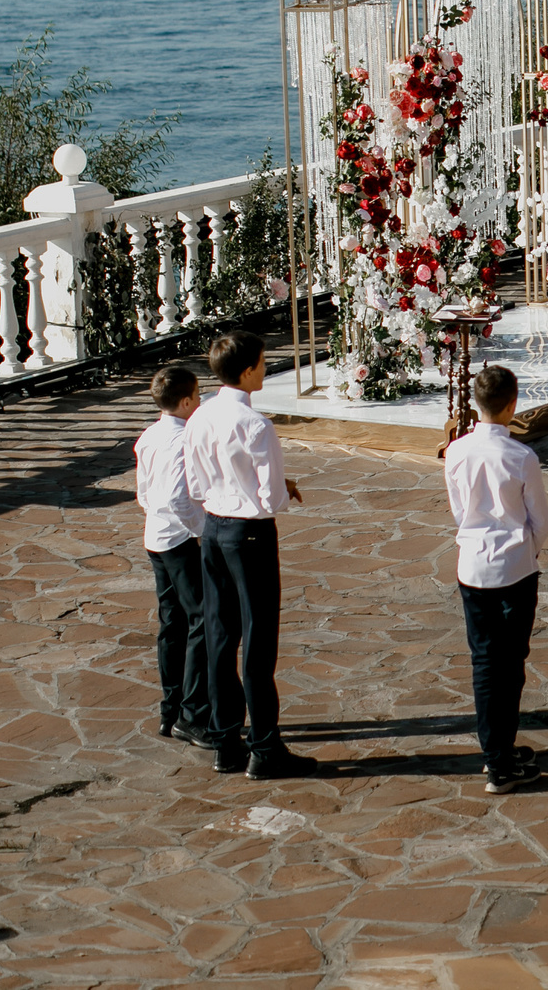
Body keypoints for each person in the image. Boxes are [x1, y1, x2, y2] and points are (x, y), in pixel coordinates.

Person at [183, 330, 318, 779]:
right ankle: (264, 747)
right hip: (251, 536)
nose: (265, 368)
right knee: (258, 642)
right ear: (246, 371)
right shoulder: (256, 425)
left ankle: (226, 742)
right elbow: (269, 498)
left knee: (221, 638)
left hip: (214, 529)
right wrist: (283, 490)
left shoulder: (200, 416)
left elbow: (197, 484)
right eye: (262, 363)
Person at [446, 364, 548, 794]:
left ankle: (499, 749)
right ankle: (498, 762)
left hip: (472, 565)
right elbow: (539, 519)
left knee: (486, 662)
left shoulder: (456, 451)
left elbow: (458, 509)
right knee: (509, 664)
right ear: (512, 404)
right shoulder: (522, 457)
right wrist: (528, 547)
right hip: (514, 567)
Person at [135, 363, 214, 749]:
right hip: (181, 541)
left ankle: (170, 709)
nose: (201, 401)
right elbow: (178, 498)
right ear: (185, 402)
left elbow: (145, 492)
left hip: (156, 537)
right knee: (201, 620)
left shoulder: (149, 436)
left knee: (172, 623)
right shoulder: (185, 441)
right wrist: (201, 530)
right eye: (198, 396)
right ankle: (193, 712)